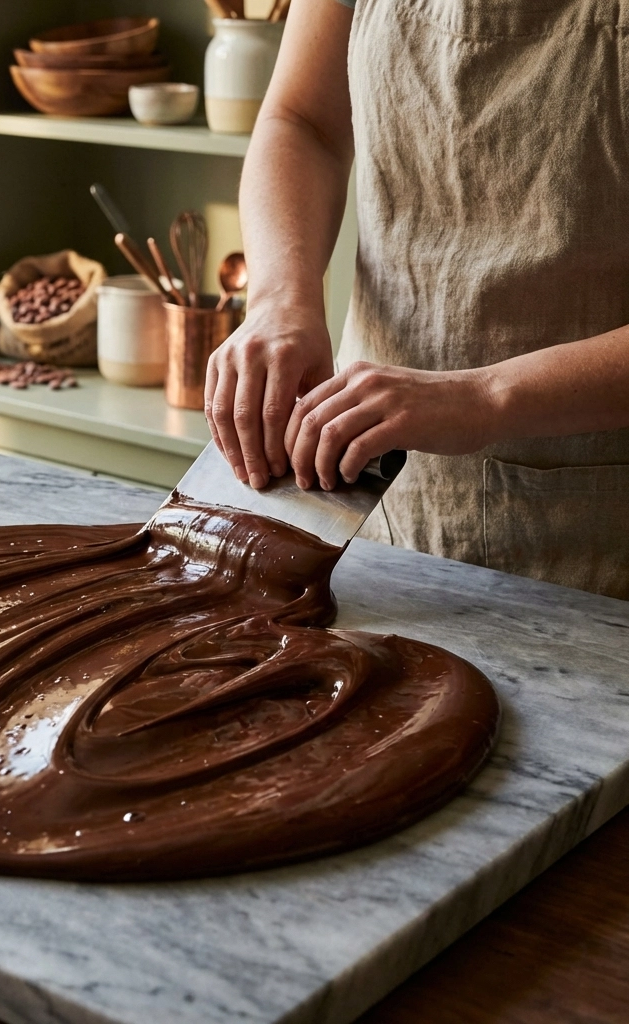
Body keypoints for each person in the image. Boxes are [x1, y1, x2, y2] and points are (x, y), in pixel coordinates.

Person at [205, 0, 629, 600]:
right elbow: (304, 122)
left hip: (600, 538)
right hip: (365, 493)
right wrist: (279, 296)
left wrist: (485, 397)